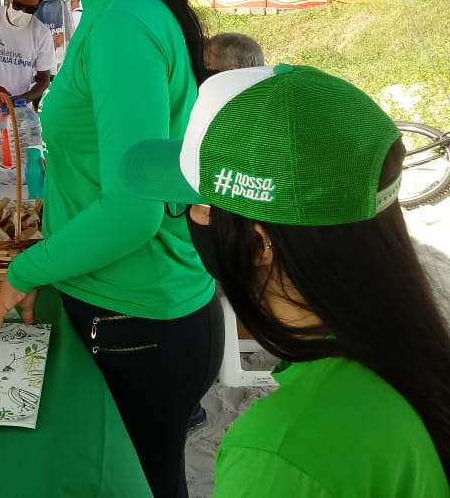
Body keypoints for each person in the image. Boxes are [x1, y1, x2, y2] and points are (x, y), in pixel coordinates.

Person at [0, 0, 221, 498]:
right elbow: (113, 173)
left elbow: (131, 211)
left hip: (138, 321)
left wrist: (21, 273)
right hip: (134, 307)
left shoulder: (125, 20)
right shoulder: (114, 9)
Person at [118, 64, 450, 496]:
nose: (191, 220)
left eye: (195, 207)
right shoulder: (417, 359)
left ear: (258, 244)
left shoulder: (279, 452)